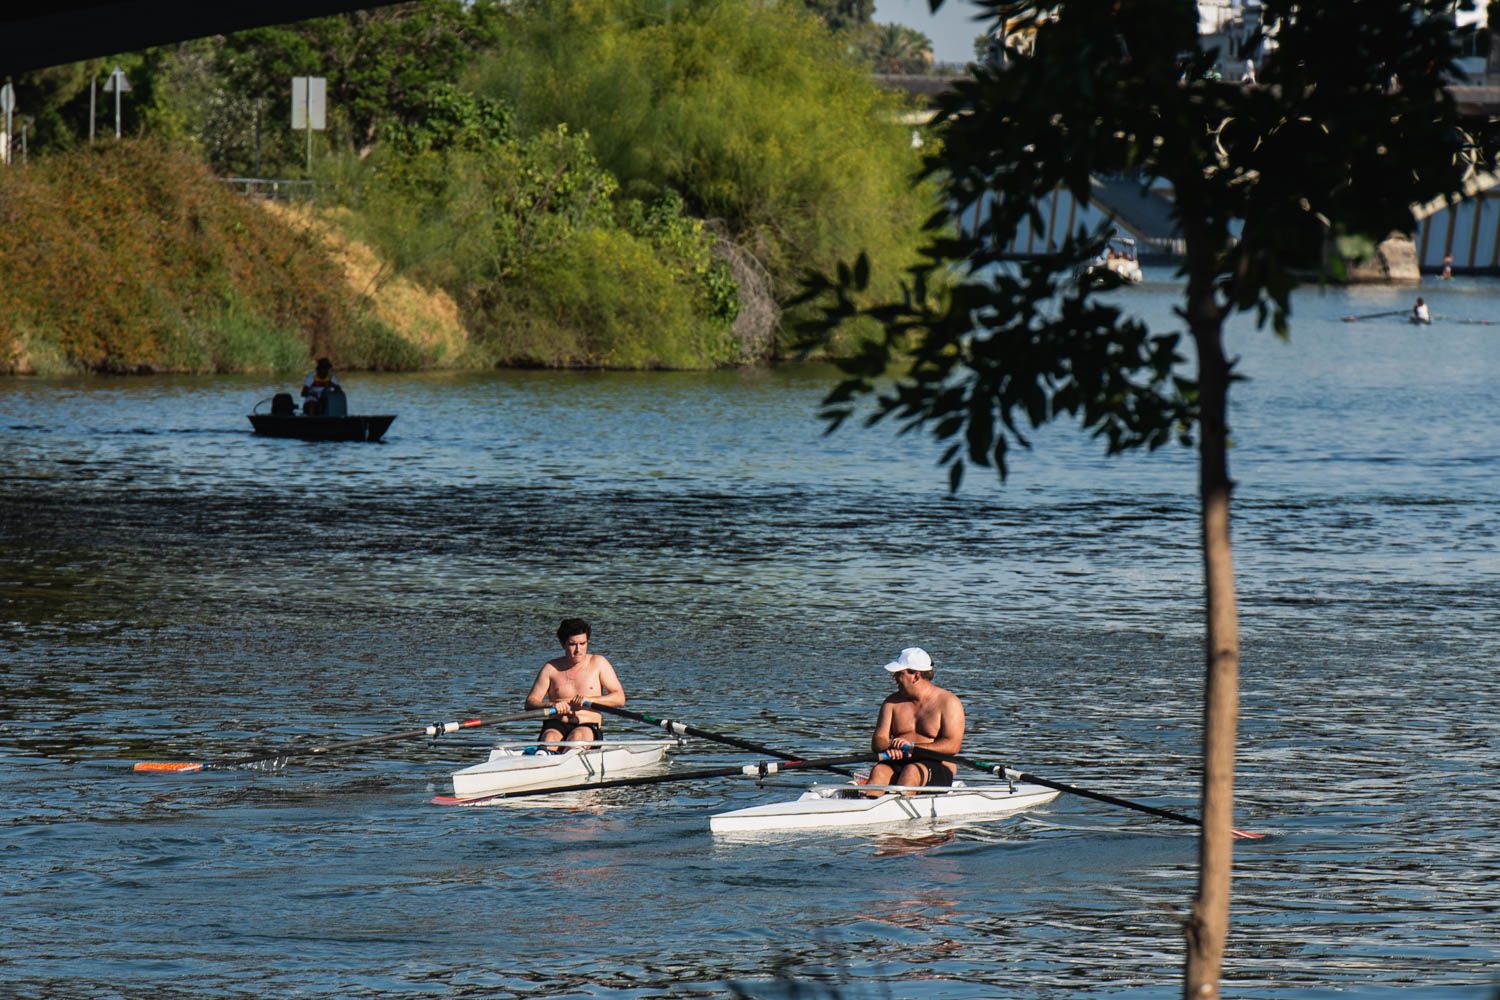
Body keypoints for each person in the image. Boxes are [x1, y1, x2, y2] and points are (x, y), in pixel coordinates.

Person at [864, 647, 965, 792]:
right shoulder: (891, 702)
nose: (894, 678)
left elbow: (952, 745)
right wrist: (890, 747)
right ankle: (867, 805)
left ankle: (900, 806)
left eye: (899, 673)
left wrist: (912, 747)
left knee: (911, 771)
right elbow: (878, 740)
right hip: (899, 761)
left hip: (935, 764)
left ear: (916, 676)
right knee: (879, 771)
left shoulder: (948, 702)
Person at [523, 618, 625, 751]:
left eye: (583, 643)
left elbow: (619, 698)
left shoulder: (599, 663)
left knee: (576, 738)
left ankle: (559, 760)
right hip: (556, 725)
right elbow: (530, 702)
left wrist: (589, 700)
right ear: (562, 644)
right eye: (572, 644)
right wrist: (551, 705)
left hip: (587, 725)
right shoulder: (550, 668)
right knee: (549, 739)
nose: (578, 650)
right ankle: (544, 756)